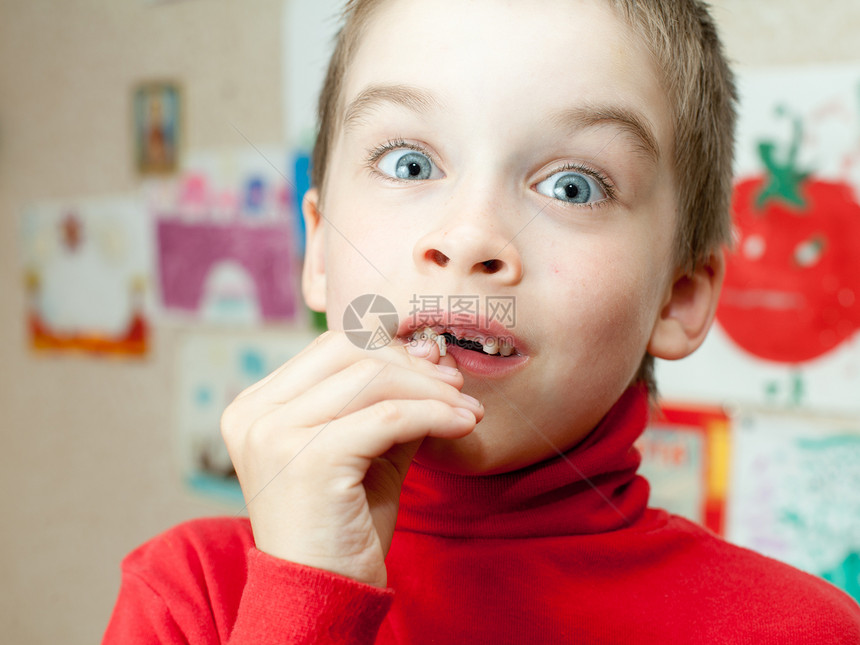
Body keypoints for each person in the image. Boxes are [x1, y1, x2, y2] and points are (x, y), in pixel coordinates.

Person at [103, 1, 860, 643]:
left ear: (679, 297)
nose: (467, 236)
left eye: (573, 185)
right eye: (408, 163)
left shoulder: (806, 629)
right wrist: (303, 601)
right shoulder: (191, 599)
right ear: (319, 249)